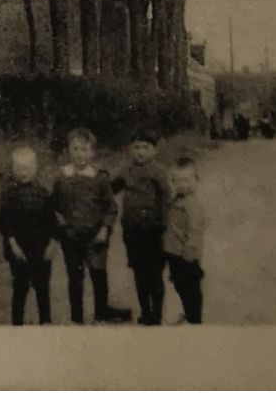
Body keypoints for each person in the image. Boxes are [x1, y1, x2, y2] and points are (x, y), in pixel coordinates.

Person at [51, 127, 131, 324]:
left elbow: (111, 207)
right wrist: (60, 224)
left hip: (96, 236)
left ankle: (101, 312)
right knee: (75, 277)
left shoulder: (99, 177)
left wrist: (105, 229)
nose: (80, 155)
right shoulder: (62, 177)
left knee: (98, 274)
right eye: (76, 149)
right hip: (71, 236)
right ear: (68, 151)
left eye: (84, 150)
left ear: (92, 152)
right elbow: (54, 206)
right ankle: (77, 317)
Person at [114, 130, 170, 325]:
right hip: (132, 229)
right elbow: (112, 188)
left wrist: (163, 225)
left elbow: (165, 199)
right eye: (136, 147)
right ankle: (145, 312)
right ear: (130, 150)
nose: (140, 152)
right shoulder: (126, 169)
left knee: (154, 273)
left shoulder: (158, 171)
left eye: (145, 148)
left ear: (154, 151)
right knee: (139, 272)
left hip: (154, 230)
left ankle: (157, 314)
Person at [0, 146, 56, 326]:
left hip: (40, 248)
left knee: (42, 287)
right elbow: (5, 224)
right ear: (13, 169)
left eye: (27, 168)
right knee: (20, 287)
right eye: (19, 168)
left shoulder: (43, 194)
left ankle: (45, 322)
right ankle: (17, 325)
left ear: (35, 168)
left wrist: (51, 245)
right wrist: (12, 244)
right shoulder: (8, 195)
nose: (23, 173)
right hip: (18, 249)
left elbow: (52, 222)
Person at [163, 155, 207, 324]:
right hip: (174, 252)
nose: (183, 185)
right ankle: (187, 312)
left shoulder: (192, 204)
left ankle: (195, 318)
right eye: (178, 181)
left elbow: (196, 229)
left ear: (196, 180)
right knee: (179, 284)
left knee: (191, 288)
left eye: (187, 180)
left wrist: (190, 251)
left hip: (186, 254)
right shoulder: (175, 200)